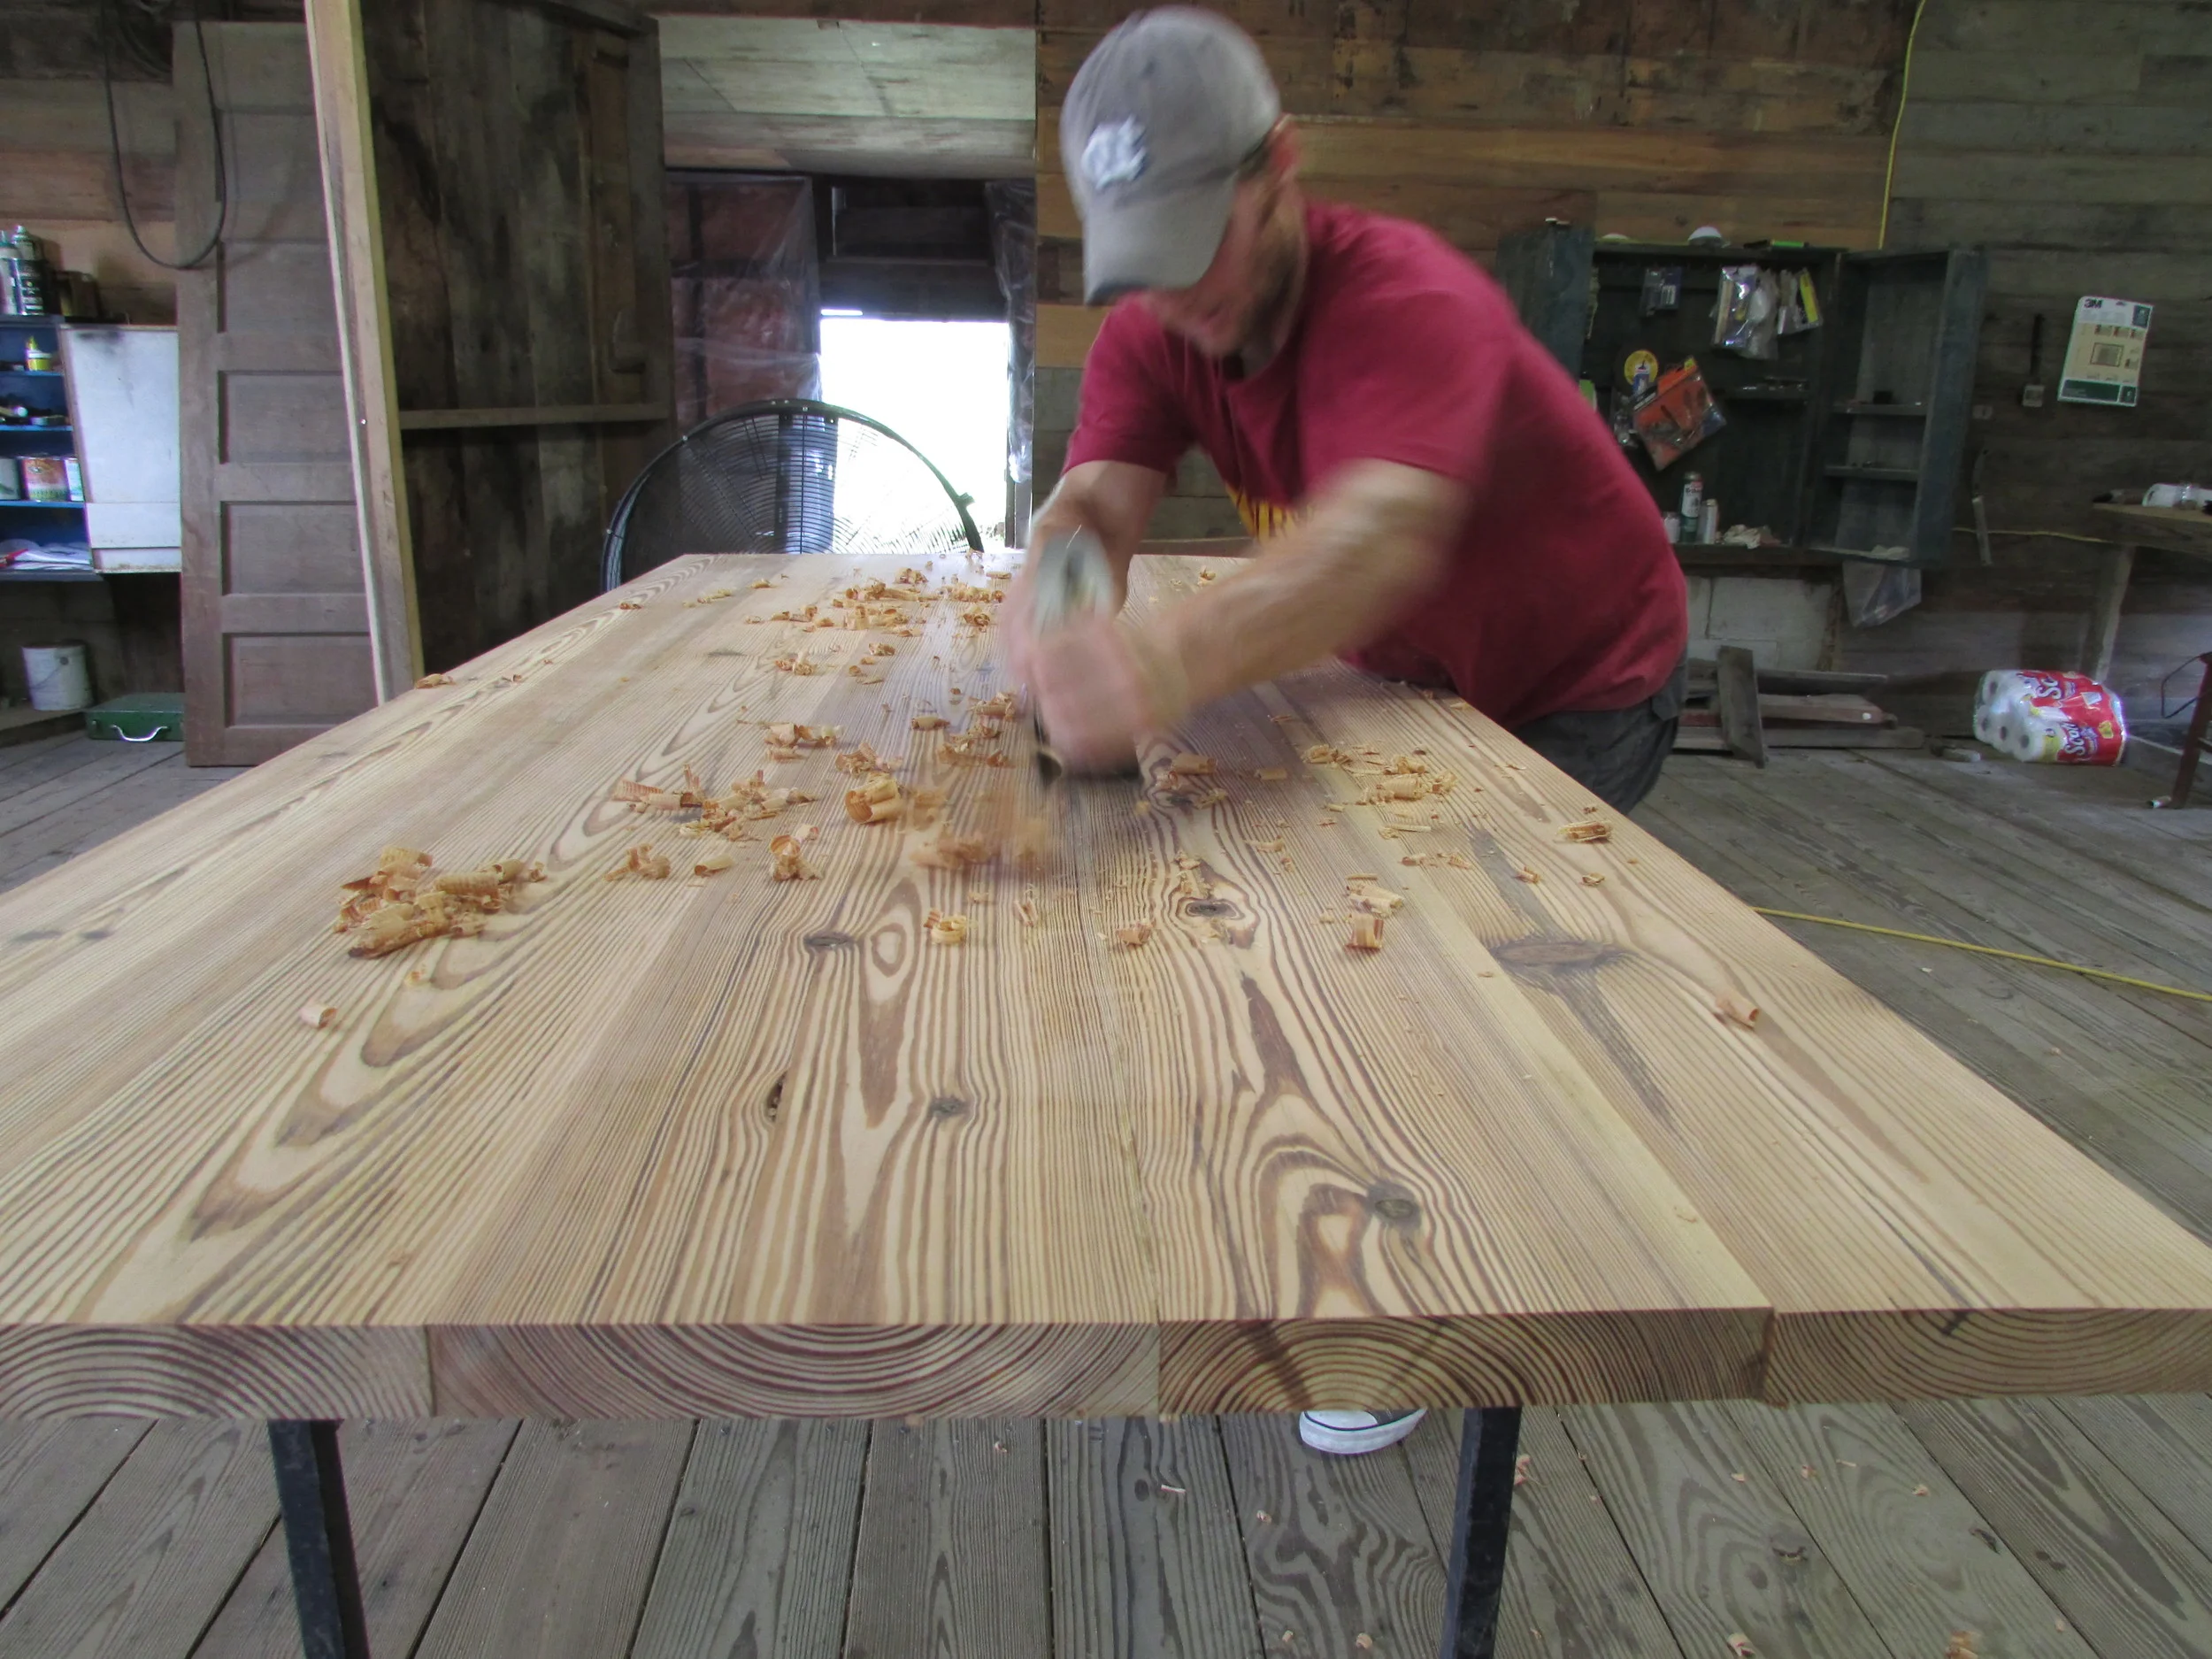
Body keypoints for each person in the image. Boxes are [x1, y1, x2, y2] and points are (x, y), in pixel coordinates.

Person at [1008, 6, 1688, 1456]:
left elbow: (1378, 539)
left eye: (1209, 244)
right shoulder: (1156, 323)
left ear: (1285, 172)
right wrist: (1059, 604)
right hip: (1412, 676)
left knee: (1469, 993)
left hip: (1580, 677)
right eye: (1149, 259)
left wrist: (1164, 661)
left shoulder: (1409, 296)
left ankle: (1408, 1311)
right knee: (1330, 944)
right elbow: (1094, 504)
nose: (1180, 298)